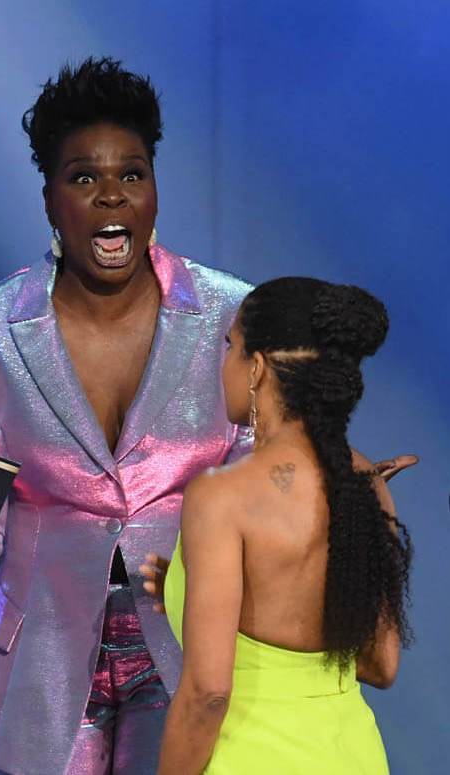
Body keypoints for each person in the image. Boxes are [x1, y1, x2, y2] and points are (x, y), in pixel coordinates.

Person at [0, 58, 413, 774]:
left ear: (153, 188)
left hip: (190, 639)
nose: (111, 196)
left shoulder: (233, 316)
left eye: (131, 174)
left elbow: (269, 474)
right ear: (48, 197)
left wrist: (345, 479)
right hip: (39, 656)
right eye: (83, 177)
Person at [155, 279, 410, 773]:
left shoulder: (222, 494)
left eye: (230, 345)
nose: (223, 362)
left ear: (257, 367)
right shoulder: (367, 484)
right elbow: (382, 665)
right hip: (353, 755)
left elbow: (208, 694)